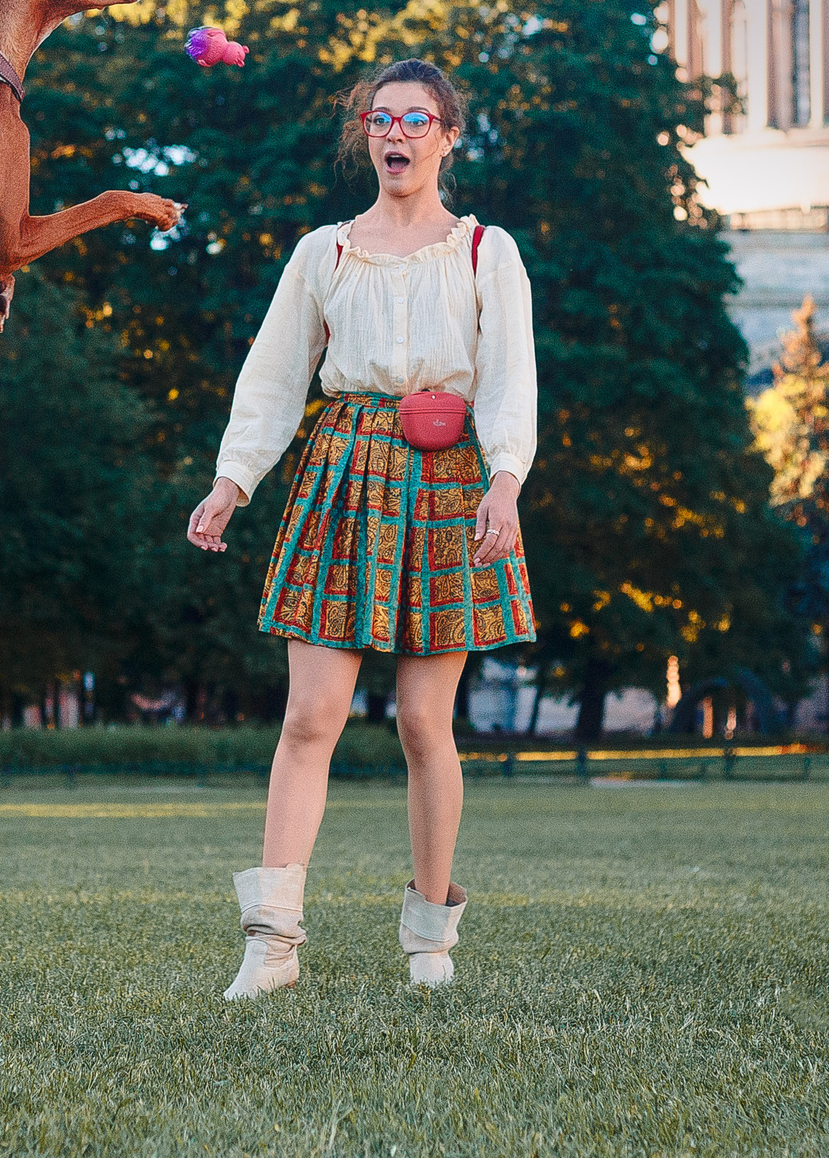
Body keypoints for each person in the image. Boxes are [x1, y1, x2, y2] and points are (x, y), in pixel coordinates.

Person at [186, 58, 537, 999]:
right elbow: (271, 378)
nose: (396, 135)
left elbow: (509, 377)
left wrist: (505, 480)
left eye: (417, 120)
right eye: (381, 120)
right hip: (342, 471)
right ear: (366, 136)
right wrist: (232, 483)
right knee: (310, 717)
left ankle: (430, 943)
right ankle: (271, 945)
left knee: (426, 721)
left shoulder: (484, 252)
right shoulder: (323, 253)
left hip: (447, 480)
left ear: (449, 136)